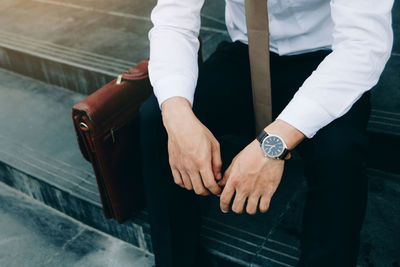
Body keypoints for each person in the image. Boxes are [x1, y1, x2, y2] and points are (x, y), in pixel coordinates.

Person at [139, 0, 394, 266]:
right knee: (157, 118)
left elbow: (363, 46)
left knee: (340, 151)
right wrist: (177, 116)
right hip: (245, 51)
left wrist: (273, 144)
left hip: (329, 59)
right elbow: (173, 22)